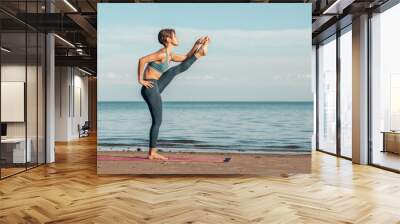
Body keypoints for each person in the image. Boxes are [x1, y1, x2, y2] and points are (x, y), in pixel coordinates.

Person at [137, 28, 210, 160]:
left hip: (156, 85)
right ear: (168, 39)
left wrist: (197, 44)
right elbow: (142, 60)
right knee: (157, 121)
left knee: (175, 70)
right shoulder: (161, 54)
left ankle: (200, 53)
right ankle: (152, 153)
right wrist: (140, 80)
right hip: (150, 87)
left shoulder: (170, 55)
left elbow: (186, 57)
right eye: (175, 36)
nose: (177, 38)